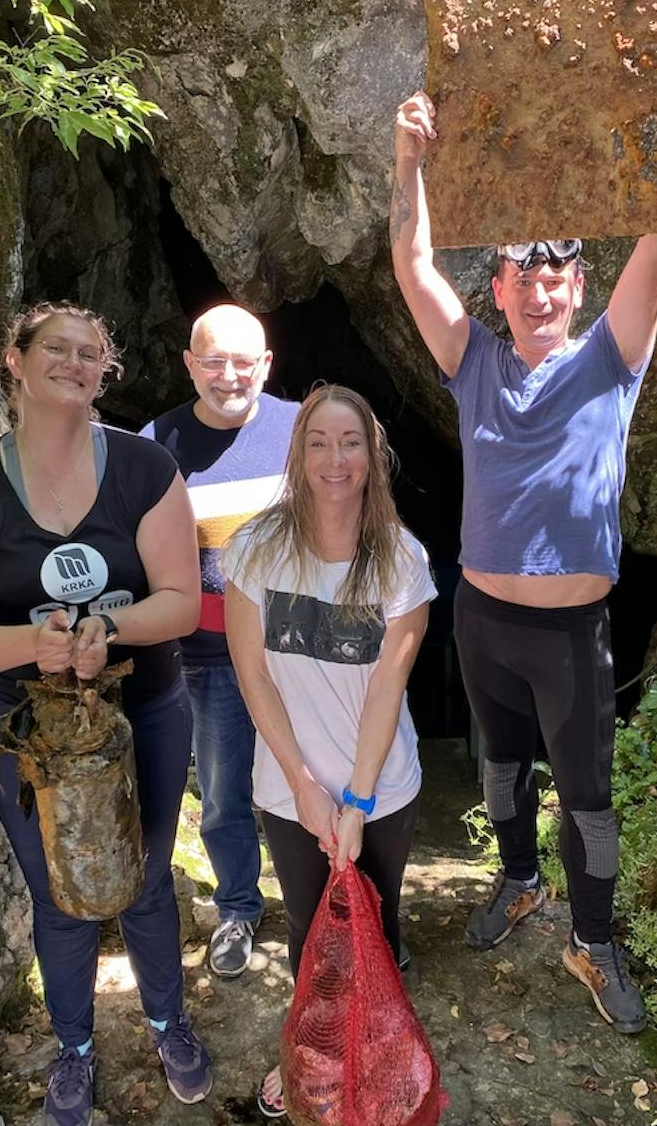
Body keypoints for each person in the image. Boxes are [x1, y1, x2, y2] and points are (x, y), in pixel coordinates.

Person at [390, 74, 657, 1035]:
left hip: (574, 630)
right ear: (496, 289)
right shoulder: (475, 364)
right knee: (501, 771)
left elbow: (656, 254)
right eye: (520, 279)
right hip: (484, 621)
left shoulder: (609, 360)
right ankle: (519, 882)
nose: (538, 293)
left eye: (555, 279)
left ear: (577, 286)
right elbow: (413, 264)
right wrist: (410, 158)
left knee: (588, 799)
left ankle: (592, 938)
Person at [0, 302, 214, 1124]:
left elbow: (183, 602)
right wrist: (33, 643)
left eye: (93, 353)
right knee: (59, 895)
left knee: (148, 878)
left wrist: (107, 628)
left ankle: (169, 1024)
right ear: (13, 360)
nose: (76, 363)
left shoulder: (143, 470)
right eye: (57, 347)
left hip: (144, 710)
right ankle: (75, 1049)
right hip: (24, 733)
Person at [222, 385, 437, 1117]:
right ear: (298, 453)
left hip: (384, 786)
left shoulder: (403, 559)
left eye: (350, 442)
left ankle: (375, 1052)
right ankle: (308, 1053)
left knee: (377, 922)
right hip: (290, 789)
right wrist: (307, 785)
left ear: (373, 456)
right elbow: (252, 672)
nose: (334, 459)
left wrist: (360, 800)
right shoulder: (255, 549)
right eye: (318, 442)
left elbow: (387, 686)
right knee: (311, 929)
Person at [140, 305, 299, 978]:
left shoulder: (303, 430)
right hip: (208, 658)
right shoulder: (159, 442)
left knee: (309, 780)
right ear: (189, 364)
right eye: (213, 361)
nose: (228, 376)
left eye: (243, 361)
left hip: (299, 652)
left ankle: (321, 908)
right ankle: (238, 908)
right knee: (227, 792)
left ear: (266, 363)